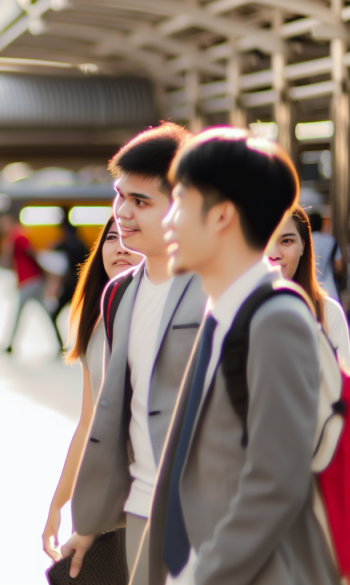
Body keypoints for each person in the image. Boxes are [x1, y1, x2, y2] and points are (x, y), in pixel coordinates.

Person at [136, 128, 339, 585]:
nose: (168, 222)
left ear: (222, 215)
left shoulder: (275, 319)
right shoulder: (222, 312)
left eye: (181, 202)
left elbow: (276, 484)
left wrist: (200, 577)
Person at [61, 122, 205, 585]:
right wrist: (91, 522)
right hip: (137, 516)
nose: (121, 212)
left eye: (140, 202)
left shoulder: (224, 289)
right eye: (119, 195)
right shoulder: (118, 294)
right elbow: (110, 416)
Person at [42, 217, 139, 560]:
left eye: (132, 237)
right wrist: (59, 502)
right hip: (104, 495)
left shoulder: (161, 319)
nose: (121, 247)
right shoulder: (95, 323)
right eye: (112, 237)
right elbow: (87, 425)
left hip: (150, 496)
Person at [267, 205, 350, 363]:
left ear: (303, 246)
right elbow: (339, 266)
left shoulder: (330, 314)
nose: (274, 254)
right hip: (329, 285)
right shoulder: (230, 312)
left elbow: (343, 383)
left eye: (286, 241)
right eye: (265, 241)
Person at [3, 213, 59, 352]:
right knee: (45, 312)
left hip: (30, 281)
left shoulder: (18, 237)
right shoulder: (17, 237)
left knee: (18, 312)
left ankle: (10, 343)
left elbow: (29, 253)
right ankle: (59, 342)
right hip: (32, 280)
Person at [307, 210, 343, 301]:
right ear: (321, 225)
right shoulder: (331, 241)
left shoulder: (304, 241)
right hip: (330, 290)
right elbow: (338, 266)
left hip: (309, 289)